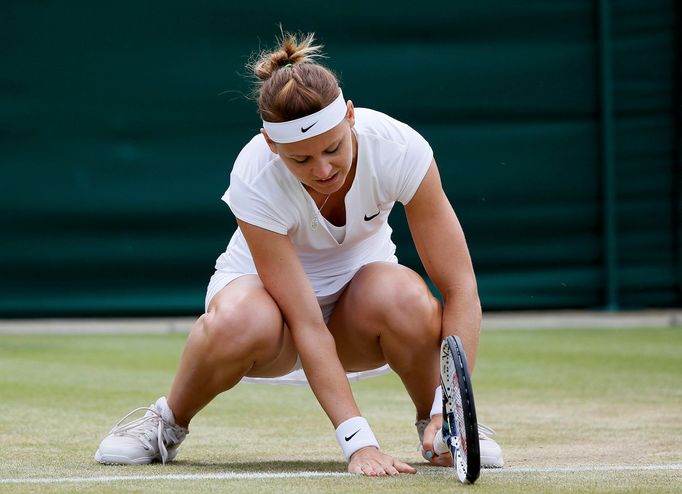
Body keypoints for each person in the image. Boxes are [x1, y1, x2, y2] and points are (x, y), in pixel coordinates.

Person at [95, 31, 503, 476]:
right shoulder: (255, 175)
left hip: (361, 315)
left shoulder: (400, 149)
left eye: (332, 149)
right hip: (275, 326)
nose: (323, 169)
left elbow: (461, 287)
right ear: (272, 147)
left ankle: (442, 425)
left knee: (404, 295)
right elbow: (307, 322)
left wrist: (453, 407)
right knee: (240, 320)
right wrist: (358, 444)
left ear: (349, 117)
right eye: (301, 160)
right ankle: (168, 422)